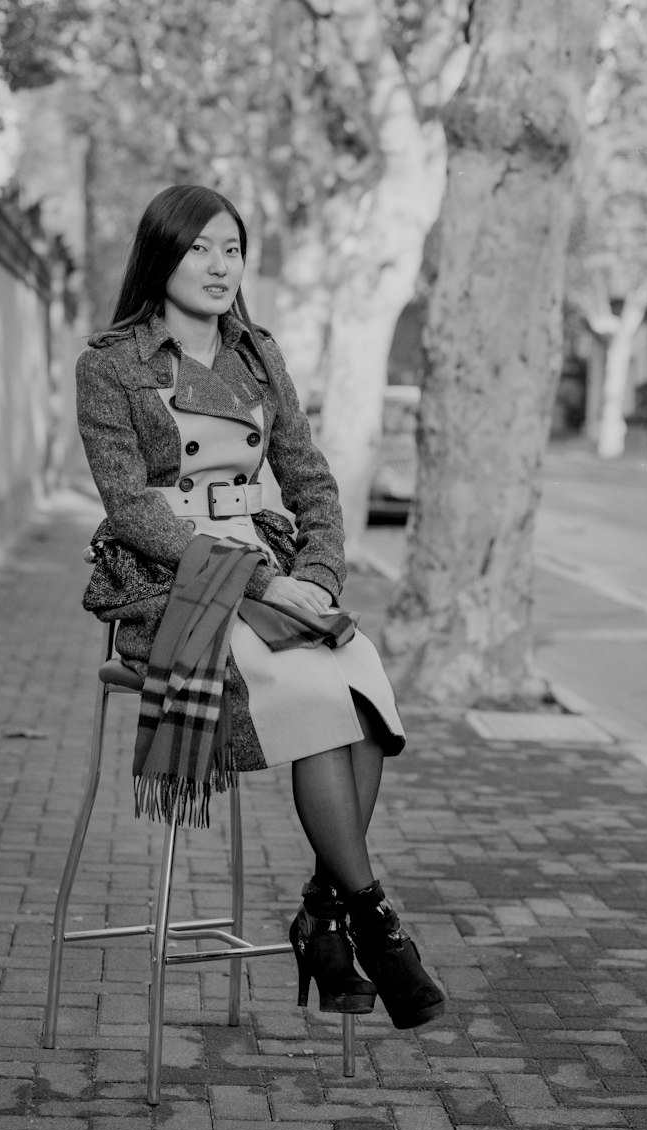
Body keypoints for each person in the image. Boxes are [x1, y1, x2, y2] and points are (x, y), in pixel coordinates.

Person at [75, 184, 444, 1030]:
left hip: (272, 570)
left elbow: (310, 478)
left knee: (362, 683)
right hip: (177, 581)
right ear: (161, 255)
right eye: (199, 247)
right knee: (320, 699)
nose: (217, 264)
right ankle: (374, 920)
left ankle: (324, 912)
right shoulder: (112, 363)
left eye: (231, 249)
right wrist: (258, 583)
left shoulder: (258, 354)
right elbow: (131, 506)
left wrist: (316, 571)